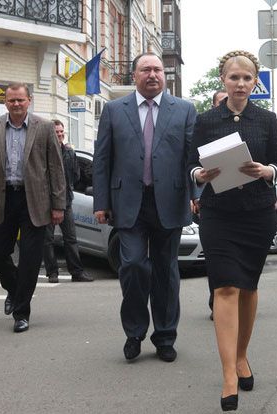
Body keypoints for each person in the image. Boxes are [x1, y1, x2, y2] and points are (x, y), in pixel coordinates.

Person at [188, 50, 277, 411]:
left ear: (255, 82)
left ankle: (242, 355)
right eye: (234, 77)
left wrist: (267, 171)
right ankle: (229, 374)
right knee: (225, 286)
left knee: (248, 287)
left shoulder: (267, 119)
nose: (240, 83)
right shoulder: (205, 120)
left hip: (257, 213)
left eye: (247, 78)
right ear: (223, 80)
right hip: (218, 214)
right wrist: (199, 175)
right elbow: (190, 164)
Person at [93, 53, 197, 363]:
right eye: (145, 70)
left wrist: (197, 193)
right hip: (127, 203)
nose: (153, 74)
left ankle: (165, 336)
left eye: (157, 69)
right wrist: (101, 202)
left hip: (170, 200)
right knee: (133, 266)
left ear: (164, 75)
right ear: (135, 75)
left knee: (166, 271)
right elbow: (102, 158)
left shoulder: (185, 110)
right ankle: (134, 332)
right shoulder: (114, 110)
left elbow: (192, 157)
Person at [0, 82, 66, 333]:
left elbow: (56, 169)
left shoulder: (44, 127)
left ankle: (21, 312)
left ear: (29, 101)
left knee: (30, 260)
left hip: (34, 200)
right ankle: (14, 289)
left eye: (20, 100)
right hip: (1, 199)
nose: (16, 104)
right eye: (11, 100)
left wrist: (58, 205)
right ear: (6, 102)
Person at [42, 119, 93, 283]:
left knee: (70, 238)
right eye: (56, 132)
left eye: (61, 132)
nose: (59, 134)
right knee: (47, 240)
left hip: (66, 201)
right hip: (47, 202)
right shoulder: (43, 152)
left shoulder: (70, 153)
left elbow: (76, 176)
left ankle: (77, 272)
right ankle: (52, 273)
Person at [205, 88, 228, 320]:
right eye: (221, 102)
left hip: (245, 203)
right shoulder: (207, 125)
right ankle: (217, 301)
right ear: (214, 106)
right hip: (214, 203)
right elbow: (192, 162)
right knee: (218, 260)